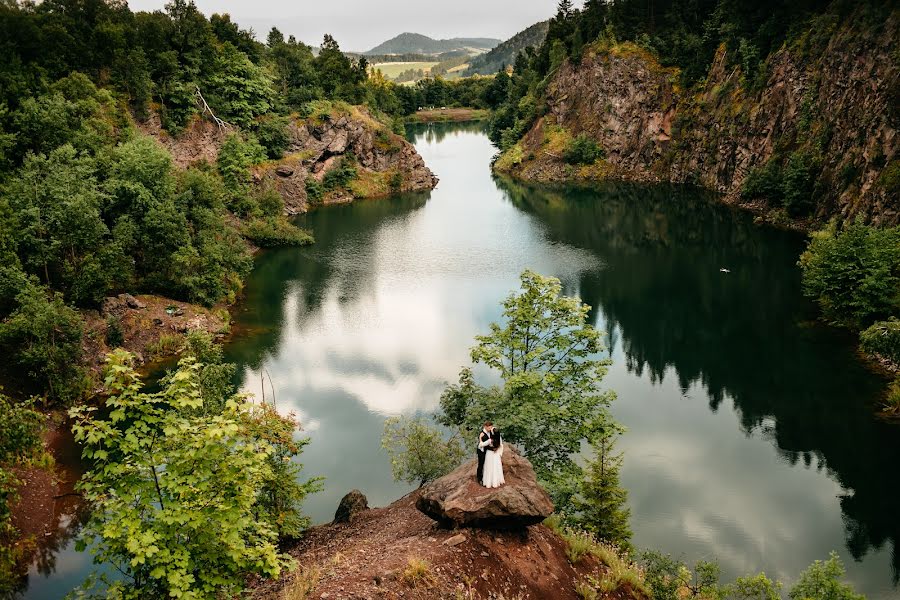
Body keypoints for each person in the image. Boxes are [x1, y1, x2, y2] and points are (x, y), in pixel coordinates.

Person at [481, 424, 505, 488]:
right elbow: (500, 445)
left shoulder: (490, 440)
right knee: (496, 466)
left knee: (489, 467)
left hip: (490, 453)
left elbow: (481, 445)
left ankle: (488, 482)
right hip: (496, 453)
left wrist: (480, 438)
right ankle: (497, 481)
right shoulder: (497, 441)